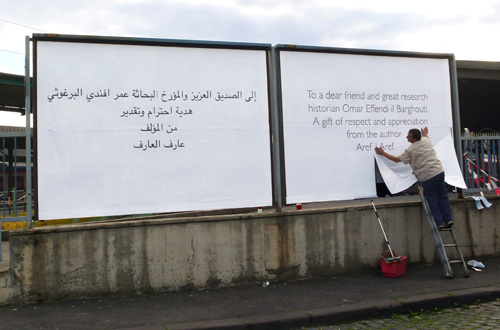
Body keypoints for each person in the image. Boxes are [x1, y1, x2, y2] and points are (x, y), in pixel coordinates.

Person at [375, 127, 454, 229]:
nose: (406, 136)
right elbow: (426, 136)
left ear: (414, 139)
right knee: (443, 195)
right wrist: (425, 133)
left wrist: (383, 153)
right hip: (438, 171)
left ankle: (439, 223)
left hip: (427, 176)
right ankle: (448, 219)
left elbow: (397, 160)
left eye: (408, 136)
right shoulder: (426, 140)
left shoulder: (411, 150)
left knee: (432, 198)